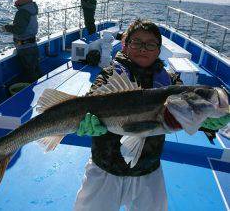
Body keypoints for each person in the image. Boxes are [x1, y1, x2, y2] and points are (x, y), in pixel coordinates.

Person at [74, 19, 184, 211]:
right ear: (125, 46)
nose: (143, 49)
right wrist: (86, 121)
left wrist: (211, 121)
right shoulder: (109, 75)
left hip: (148, 170)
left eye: (150, 44)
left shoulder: (171, 83)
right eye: (136, 42)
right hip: (104, 168)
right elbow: (93, 96)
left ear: (159, 50)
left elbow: (189, 109)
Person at [1, 0, 41, 83]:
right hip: (32, 45)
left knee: (29, 73)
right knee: (35, 69)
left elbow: (19, 30)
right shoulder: (31, 8)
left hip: (25, 48)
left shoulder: (23, 12)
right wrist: (19, 5)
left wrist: (6, 28)